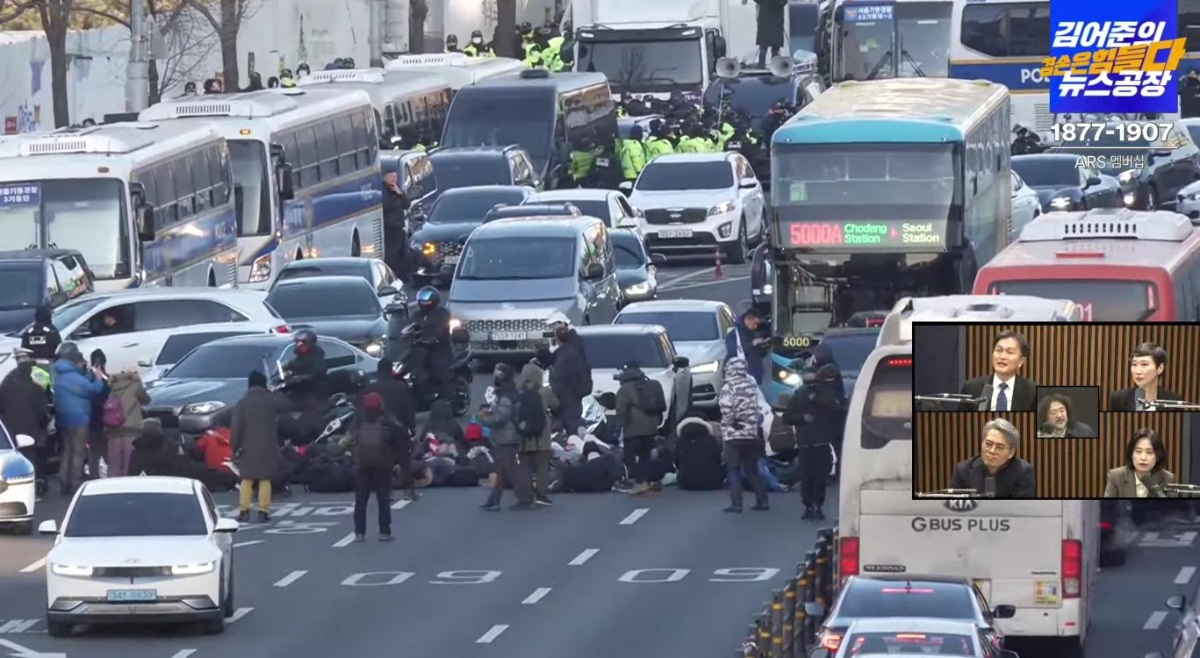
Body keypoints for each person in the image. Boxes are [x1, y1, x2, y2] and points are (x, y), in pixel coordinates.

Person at [341, 392, 408, 541]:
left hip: (362, 464)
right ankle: (384, 532)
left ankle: (359, 533)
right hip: (383, 465)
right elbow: (400, 436)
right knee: (383, 499)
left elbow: (347, 440)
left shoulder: (358, 421)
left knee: (361, 500)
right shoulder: (387, 421)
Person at [52, 342, 109, 495]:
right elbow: (93, 390)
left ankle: (64, 481)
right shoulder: (73, 376)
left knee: (66, 450)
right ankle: (76, 482)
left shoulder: (59, 375)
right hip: (79, 419)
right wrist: (97, 378)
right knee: (79, 451)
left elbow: (80, 383)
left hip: (63, 418)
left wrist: (88, 375)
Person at [783, 366, 839, 519]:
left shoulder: (825, 392)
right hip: (805, 443)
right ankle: (808, 506)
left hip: (821, 441)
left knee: (820, 477)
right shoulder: (799, 395)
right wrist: (802, 418)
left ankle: (818, 505)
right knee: (807, 477)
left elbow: (836, 410)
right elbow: (787, 417)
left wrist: (818, 400)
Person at [479, 364, 534, 510]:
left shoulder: (505, 396)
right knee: (502, 471)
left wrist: (484, 419)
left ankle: (524, 499)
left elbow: (501, 418)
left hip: (508, 439)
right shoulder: (511, 392)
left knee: (513, 471)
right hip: (506, 438)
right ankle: (494, 499)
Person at [230, 371, 282, 523]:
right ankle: (263, 512)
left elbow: (236, 427)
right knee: (265, 480)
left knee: (246, 480)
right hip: (268, 446)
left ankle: (244, 511)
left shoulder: (242, 403)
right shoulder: (271, 401)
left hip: (247, 447)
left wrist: (234, 447)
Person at [719, 357, 769, 512]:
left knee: (733, 469)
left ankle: (737, 503)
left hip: (734, 435)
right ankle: (762, 501)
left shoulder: (728, 388)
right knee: (751, 469)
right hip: (751, 434)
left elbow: (727, 409)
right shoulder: (751, 387)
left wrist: (728, 423)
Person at [948, 418, 1037, 498]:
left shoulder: (1023, 472)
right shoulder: (963, 470)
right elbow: (954, 506)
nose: (992, 451)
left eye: (999, 447)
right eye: (988, 444)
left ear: (1011, 452)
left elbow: (1021, 509)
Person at [0, 348, 49, 485]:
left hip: (10, 430)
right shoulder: (36, 380)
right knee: (32, 458)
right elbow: (42, 409)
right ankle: (35, 484)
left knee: (13, 458)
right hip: (32, 428)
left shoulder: (8, 380)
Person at [614, 360, 662, 495]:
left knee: (630, 457)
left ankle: (640, 483)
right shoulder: (649, 384)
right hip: (651, 426)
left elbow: (621, 410)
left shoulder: (624, 389)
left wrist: (619, 427)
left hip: (633, 428)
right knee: (645, 455)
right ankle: (646, 481)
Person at [959, 330, 1038, 411]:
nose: (1002, 356)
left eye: (1010, 352)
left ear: (1021, 361)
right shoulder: (971, 388)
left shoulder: (1033, 392)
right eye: (999, 350)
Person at [519, 361, 558, 506]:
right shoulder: (545, 392)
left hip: (523, 436)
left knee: (525, 468)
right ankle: (542, 495)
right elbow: (556, 405)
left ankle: (525, 496)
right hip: (542, 436)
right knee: (542, 468)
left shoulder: (519, 392)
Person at [547, 313, 592, 437]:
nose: (552, 330)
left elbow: (561, 373)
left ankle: (580, 444)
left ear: (561, 324)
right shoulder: (573, 343)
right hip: (572, 392)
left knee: (572, 424)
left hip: (569, 393)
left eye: (553, 326)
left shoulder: (570, 346)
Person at [103, 359, 150, 477]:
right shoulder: (135, 384)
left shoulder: (111, 385)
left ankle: (112, 489)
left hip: (112, 428)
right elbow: (146, 400)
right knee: (129, 464)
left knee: (114, 464)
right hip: (131, 427)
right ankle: (127, 490)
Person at [1108, 341, 1184, 411]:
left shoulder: (1174, 400)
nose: (1137, 371)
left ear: (1160, 368)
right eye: (1134, 364)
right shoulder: (1119, 398)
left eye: (1144, 364)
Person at [1104, 428, 1175, 498]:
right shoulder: (1116, 477)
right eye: (1138, 451)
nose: (1143, 458)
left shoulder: (1167, 478)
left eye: (1149, 452)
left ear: (1158, 456)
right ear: (1131, 454)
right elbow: (1108, 508)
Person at [412, 286, 453, 401]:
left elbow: (439, 329)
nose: (425, 300)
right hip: (420, 348)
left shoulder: (442, 314)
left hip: (439, 349)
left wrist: (431, 338)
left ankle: (446, 400)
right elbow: (409, 327)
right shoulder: (416, 315)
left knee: (440, 374)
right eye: (422, 298)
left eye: (428, 297)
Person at [673, 417, 725, 490]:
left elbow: (677, 462)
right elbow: (717, 459)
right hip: (712, 482)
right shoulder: (711, 440)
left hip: (686, 483)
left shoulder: (680, 442)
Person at [724, 306, 770, 385]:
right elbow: (733, 352)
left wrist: (763, 347)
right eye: (754, 324)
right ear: (748, 319)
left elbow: (760, 355)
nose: (756, 327)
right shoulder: (734, 334)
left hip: (755, 376)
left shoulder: (753, 333)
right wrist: (752, 344)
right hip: (740, 377)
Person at [283, 328, 327, 407]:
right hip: (297, 390)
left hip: (313, 391)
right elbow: (296, 366)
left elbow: (319, 373)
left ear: (310, 343)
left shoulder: (317, 356)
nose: (298, 345)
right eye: (297, 342)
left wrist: (300, 378)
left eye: (302, 342)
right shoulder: (298, 356)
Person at [382, 171, 410, 273]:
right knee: (391, 254)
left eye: (395, 177)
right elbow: (387, 205)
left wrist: (400, 194)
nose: (394, 180)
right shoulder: (383, 191)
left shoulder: (396, 190)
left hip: (398, 227)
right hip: (389, 228)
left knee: (400, 252)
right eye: (391, 177)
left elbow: (406, 204)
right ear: (385, 177)